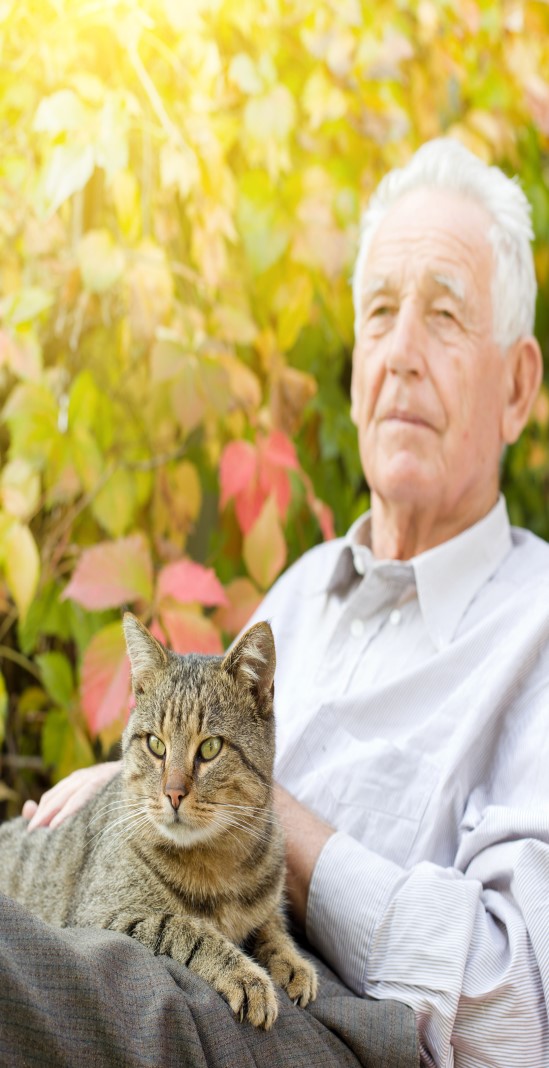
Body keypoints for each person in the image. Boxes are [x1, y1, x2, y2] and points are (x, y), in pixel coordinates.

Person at [17, 138, 549, 1067]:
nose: (401, 354)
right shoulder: (300, 592)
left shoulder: (535, 623)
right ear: (352, 372)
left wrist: (279, 819)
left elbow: (513, 1016)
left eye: (445, 316)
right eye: (379, 313)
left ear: (516, 389)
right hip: (173, 970)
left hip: (324, 1029)